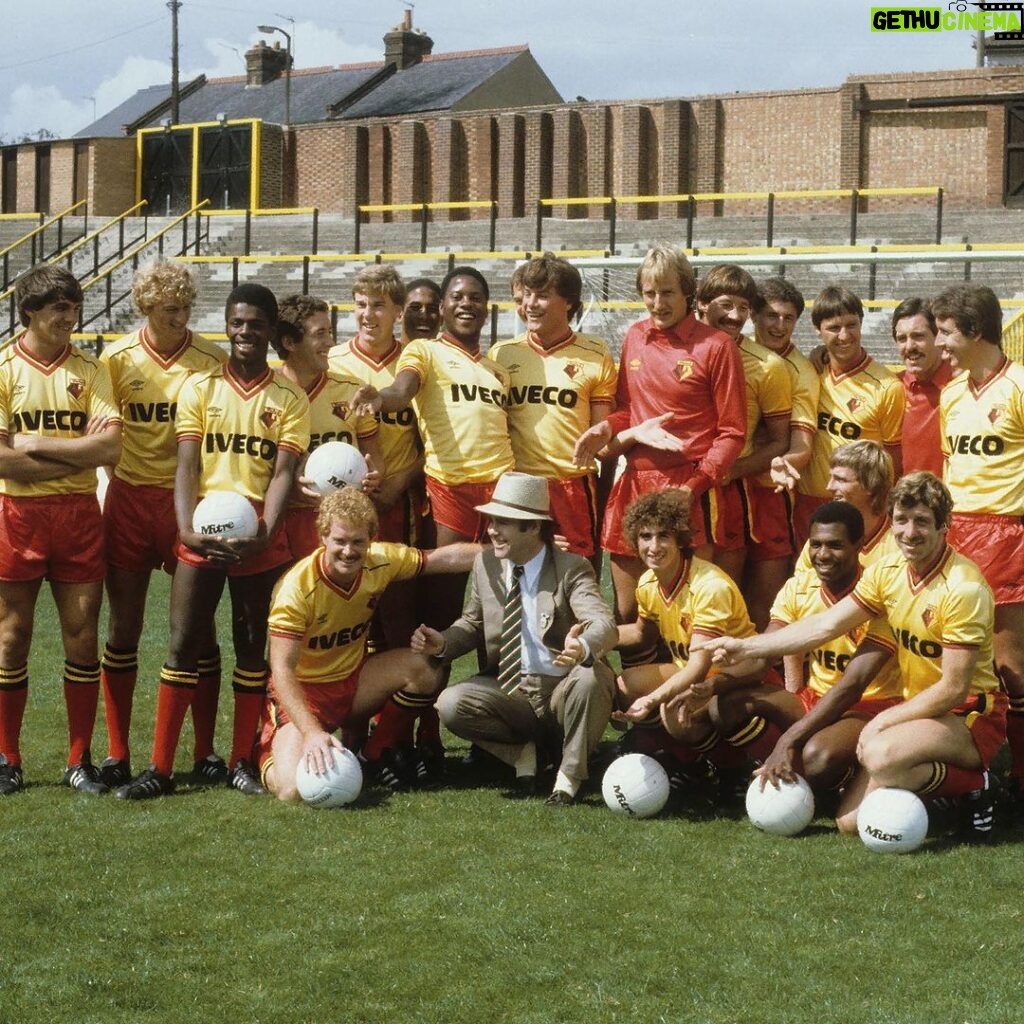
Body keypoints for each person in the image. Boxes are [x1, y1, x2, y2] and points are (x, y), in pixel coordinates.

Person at [702, 472, 1006, 839]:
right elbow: (825, 625)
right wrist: (745, 646)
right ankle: (937, 794)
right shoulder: (888, 572)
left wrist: (884, 720)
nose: (909, 532)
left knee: (880, 754)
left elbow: (954, 690)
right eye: (901, 520)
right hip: (918, 712)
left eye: (922, 522)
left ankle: (976, 784)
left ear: (945, 526)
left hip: (970, 714)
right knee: (850, 825)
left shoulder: (963, 588)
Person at [115, 283, 310, 800]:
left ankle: (241, 760)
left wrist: (264, 531)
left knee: (252, 650)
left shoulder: (288, 398)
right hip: (200, 534)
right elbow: (186, 465)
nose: (245, 332)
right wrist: (184, 530)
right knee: (183, 643)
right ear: (226, 325)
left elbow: (284, 473)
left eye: (256, 324)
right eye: (237, 322)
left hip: (259, 538)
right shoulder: (201, 388)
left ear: (272, 331)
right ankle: (159, 768)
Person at [574, 246, 746, 665]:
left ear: (688, 292)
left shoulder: (717, 346)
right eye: (649, 293)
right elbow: (626, 410)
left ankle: (686, 715)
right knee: (629, 612)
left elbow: (732, 433)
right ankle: (641, 715)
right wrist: (603, 428)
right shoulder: (635, 335)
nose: (657, 303)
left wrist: (693, 489)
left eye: (667, 292)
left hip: (689, 486)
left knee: (686, 611)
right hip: (635, 482)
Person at [259, 488, 480, 800]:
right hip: (303, 693)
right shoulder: (296, 589)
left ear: (371, 539)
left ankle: (373, 755)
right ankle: (266, 754)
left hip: (352, 684)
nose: (349, 551)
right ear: (323, 537)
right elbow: (281, 670)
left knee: (426, 668)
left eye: (358, 542)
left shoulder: (381, 561)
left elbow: (442, 558)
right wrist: (310, 732)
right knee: (293, 790)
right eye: (340, 541)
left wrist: (504, 550)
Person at [413, 472, 617, 806]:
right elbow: (472, 623)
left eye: (504, 522)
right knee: (449, 704)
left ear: (533, 527)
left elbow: (604, 623)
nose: (492, 530)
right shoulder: (485, 564)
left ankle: (568, 777)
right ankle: (523, 752)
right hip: (512, 692)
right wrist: (444, 643)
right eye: (492, 520)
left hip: (562, 692)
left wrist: (582, 646)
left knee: (591, 677)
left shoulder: (571, 568)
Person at [99, 261, 228, 787]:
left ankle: (203, 751)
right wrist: (125, 480)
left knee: (198, 630)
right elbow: (105, 436)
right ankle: (115, 752)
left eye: (186, 308)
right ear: (146, 307)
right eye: (171, 309)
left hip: (190, 507)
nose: (181, 318)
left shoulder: (211, 359)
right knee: (123, 628)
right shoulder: (116, 358)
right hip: (131, 503)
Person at [0, 264, 122, 794]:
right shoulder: (4, 367)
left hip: (77, 516)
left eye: (74, 308)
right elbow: (1, 463)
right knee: (11, 638)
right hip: (16, 517)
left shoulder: (91, 370)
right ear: (30, 312)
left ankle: (79, 760)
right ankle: (7, 759)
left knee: (81, 636)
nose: (70, 318)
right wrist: (69, 459)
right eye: (59, 309)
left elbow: (110, 448)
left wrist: (30, 446)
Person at [352, 266, 514, 628]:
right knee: (442, 607)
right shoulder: (425, 351)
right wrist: (380, 398)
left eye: (475, 298)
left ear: (487, 310)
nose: (466, 304)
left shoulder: (498, 370)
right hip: (450, 491)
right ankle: (430, 685)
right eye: (457, 297)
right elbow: (402, 390)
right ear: (442, 308)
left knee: (505, 606)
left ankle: (496, 684)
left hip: (501, 491)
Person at [612, 489, 773, 798]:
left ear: (680, 540)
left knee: (673, 710)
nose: (654, 546)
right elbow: (641, 634)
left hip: (737, 676)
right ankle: (688, 763)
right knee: (624, 685)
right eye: (645, 537)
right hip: (696, 672)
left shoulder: (708, 585)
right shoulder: (648, 583)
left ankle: (731, 768)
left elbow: (700, 665)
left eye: (663, 537)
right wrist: (592, 638)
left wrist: (653, 698)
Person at [746, 502, 901, 808]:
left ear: (859, 545)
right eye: (815, 544)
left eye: (835, 545)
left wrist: (788, 739)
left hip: (871, 705)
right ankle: (746, 775)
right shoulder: (799, 587)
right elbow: (768, 644)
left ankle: (839, 781)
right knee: (729, 706)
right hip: (815, 696)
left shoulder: (880, 594)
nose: (822, 554)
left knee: (817, 757)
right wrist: (709, 681)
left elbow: (852, 687)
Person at [933, 284, 1024, 804]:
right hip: (957, 534)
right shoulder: (950, 393)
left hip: (1006, 532)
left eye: (946, 331)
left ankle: (1020, 776)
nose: (941, 344)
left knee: (1011, 667)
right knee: (955, 663)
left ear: (975, 330)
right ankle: (968, 772)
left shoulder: (1018, 386)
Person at [490, 253, 617, 563]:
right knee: (517, 579)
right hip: (519, 484)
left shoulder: (595, 353)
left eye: (543, 296)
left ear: (569, 303)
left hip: (572, 486)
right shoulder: (501, 354)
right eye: (528, 294)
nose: (530, 304)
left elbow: (603, 442)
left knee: (575, 578)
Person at [694, 264, 792, 625]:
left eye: (744, 308)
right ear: (702, 304)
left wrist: (730, 470)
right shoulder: (678, 349)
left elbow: (780, 440)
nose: (735, 316)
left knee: (721, 602)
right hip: (679, 484)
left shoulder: (767, 366)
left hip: (732, 494)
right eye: (726, 305)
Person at [793, 286, 904, 547]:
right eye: (833, 327)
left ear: (861, 323)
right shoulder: (809, 374)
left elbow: (893, 463)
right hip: (807, 501)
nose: (844, 335)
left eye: (851, 325)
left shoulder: (887, 386)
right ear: (817, 330)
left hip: (857, 508)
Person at [276, 293, 382, 560]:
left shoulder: (352, 390)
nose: (330, 342)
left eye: (330, 332)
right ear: (289, 342)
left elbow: (376, 457)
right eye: (319, 334)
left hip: (344, 524)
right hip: (284, 521)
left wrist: (373, 476)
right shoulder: (268, 392)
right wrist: (290, 485)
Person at [893, 297, 953, 478]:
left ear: (938, 338)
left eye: (918, 336)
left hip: (949, 502)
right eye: (902, 339)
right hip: (900, 503)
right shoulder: (891, 388)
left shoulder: (963, 386)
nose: (909, 346)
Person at [401, 278, 442, 344]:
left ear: (442, 318)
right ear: (400, 313)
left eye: (432, 309)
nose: (424, 316)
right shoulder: (382, 352)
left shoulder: (453, 354)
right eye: (415, 307)